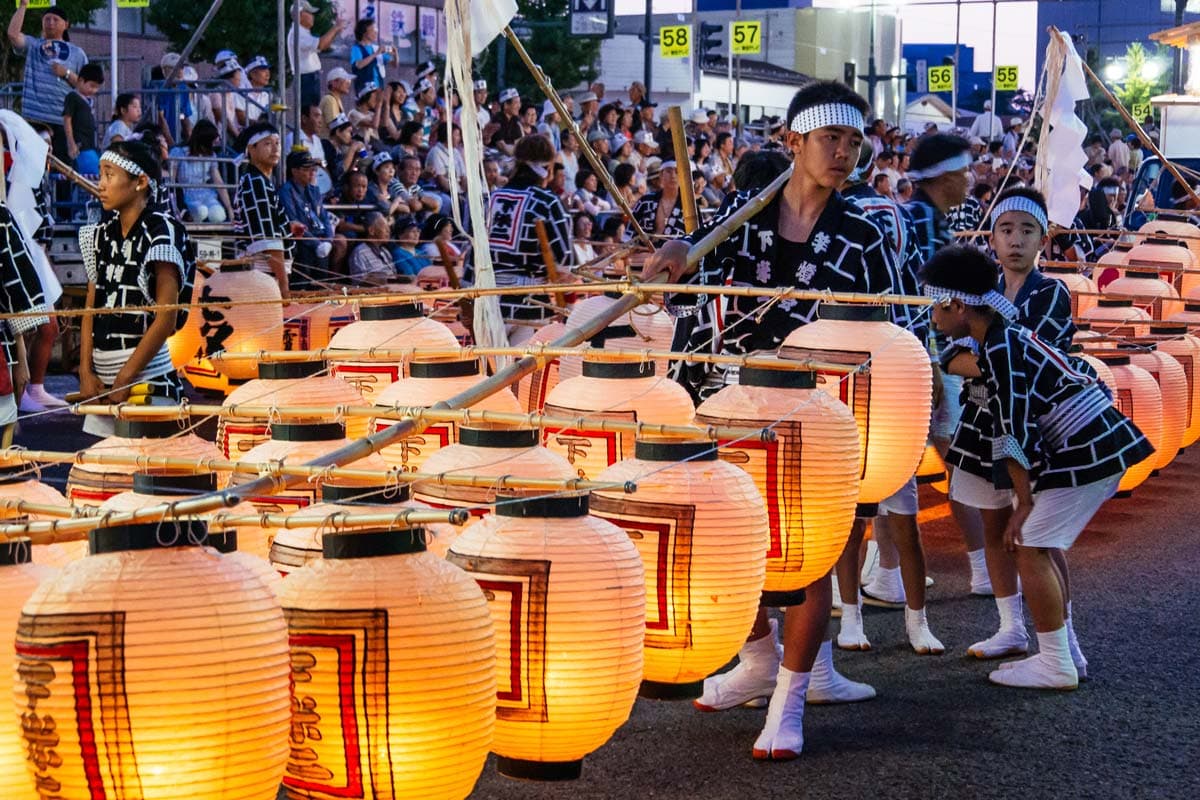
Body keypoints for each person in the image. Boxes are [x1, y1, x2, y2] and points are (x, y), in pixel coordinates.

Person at [643, 80, 907, 760]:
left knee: (806, 558)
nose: (844, 153)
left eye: (854, 142)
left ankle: (789, 703)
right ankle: (758, 660)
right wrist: (675, 256)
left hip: (816, 416)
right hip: (725, 405)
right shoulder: (742, 215)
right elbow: (689, 264)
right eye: (830, 139)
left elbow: (894, 336)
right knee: (727, 544)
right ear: (794, 141)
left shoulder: (863, 235)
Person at [923, 243, 1151, 689]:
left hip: (1085, 448)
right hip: (1092, 445)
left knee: (1029, 546)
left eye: (935, 307)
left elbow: (1013, 430)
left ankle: (1054, 662)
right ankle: (1067, 654)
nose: (932, 318)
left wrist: (1023, 502)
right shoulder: (1004, 337)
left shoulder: (1001, 348)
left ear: (955, 305)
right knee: (1041, 548)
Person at [938, 188, 1072, 665]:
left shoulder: (1052, 291)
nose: (1016, 240)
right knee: (995, 528)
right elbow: (947, 351)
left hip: (1032, 425)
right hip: (980, 421)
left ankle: (1064, 638)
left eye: (1027, 230)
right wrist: (987, 360)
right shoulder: (977, 287)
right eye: (1006, 229)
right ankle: (1010, 626)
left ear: (1044, 239)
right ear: (991, 237)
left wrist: (982, 358)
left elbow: (1030, 360)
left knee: (1039, 535)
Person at [78, 141, 194, 436]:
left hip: (146, 377)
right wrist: (85, 372)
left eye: (109, 175)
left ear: (140, 182)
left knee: (144, 469)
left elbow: (165, 317)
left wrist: (126, 377)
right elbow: (91, 308)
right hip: (103, 382)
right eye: (100, 175)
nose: (101, 185)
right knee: (105, 472)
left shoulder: (162, 230)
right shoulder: (101, 233)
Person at [484, 134, 572, 341]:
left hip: (488, 300)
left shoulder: (492, 199)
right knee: (523, 370)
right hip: (530, 302)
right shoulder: (546, 202)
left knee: (490, 370)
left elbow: (473, 253)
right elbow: (564, 260)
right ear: (548, 168)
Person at [7, 2, 89, 165]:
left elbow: (86, 87)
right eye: (47, 19)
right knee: (32, 167)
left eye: (55, 19)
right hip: (35, 120)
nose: (51, 23)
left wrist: (66, 73)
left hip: (64, 122)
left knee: (63, 170)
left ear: (66, 24)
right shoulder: (34, 45)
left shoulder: (77, 53)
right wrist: (23, 5)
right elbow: (13, 35)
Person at [232, 121, 292, 297]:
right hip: (263, 276)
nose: (275, 148)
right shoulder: (255, 182)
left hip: (265, 275)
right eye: (267, 143)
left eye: (277, 143)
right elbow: (267, 241)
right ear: (251, 149)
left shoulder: (259, 180)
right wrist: (283, 286)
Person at [281, 150, 346, 279]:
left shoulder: (314, 191)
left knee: (321, 282)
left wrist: (327, 240)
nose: (312, 172)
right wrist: (316, 244)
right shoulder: (286, 192)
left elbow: (324, 217)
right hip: (303, 244)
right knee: (305, 283)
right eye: (306, 169)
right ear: (294, 171)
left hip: (320, 240)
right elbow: (294, 222)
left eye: (313, 168)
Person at [170, 119, 232, 223]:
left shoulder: (211, 156)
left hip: (206, 194)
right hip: (187, 194)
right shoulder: (179, 153)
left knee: (218, 215)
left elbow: (219, 183)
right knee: (201, 212)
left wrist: (229, 208)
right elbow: (171, 181)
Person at [289, 0, 346, 109]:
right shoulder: (298, 33)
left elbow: (323, 46)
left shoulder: (303, 33)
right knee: (309, 113)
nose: (312, 17)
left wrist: (335, 31)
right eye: (309, 13)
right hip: (305, 79)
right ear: (300, 14)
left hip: (309, 78)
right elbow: (320, 44)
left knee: (313, 112)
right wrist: (335, 28)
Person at [62, 62, 103, 174]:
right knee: (91, 174)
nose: (94, 90)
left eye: (97, 88)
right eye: (91, 86)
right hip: (80, 146)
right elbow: (67, 119)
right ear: (80, 81)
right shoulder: (72, 97)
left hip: (89, 145)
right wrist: (71, 143)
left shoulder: (89, 101)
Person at [630, 159, 685, 237]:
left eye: (677, 172)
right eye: (669, 171)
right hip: (644, 248)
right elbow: (630, 230)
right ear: (661, 175)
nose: (673, 176)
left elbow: (697, 238)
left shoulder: (689, 207)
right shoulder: (646, 200)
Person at [349, 211, 396, 285]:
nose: (388, 231)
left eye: (388, 227)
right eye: (384, 227)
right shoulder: (360, 252)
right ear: (371, 231)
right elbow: (359, 282)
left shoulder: (385, 252)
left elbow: (394, 276)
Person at [350, 17, 394, 92]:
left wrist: (395, 54)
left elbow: (394, 64)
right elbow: (359, 65)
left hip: (379, 87)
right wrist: (376, 54)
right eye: (373, 30)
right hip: (365, 90)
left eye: (376, 30)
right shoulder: (356, 48)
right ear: (364, 32)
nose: (376, 33)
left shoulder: (376, 48)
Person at [366, 151, 411, 219]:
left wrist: (389, 203)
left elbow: (407, 209)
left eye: (392, 167)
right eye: (387, 167)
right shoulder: (371, 189)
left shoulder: (391, 189)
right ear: (377, 171)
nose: (391, 171)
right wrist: (396, 201)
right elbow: (387, 211)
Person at [319, 67, 355, 138]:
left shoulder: (336, 99)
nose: (348, 83)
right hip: (327, 143)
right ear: (334, 83)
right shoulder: (330, 100)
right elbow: (336, 128)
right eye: (345, 79)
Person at [490, 87, 523, 156]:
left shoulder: (515, 120)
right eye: (516, 103)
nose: (519, 106)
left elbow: (519, 142)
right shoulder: (497, 120)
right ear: (506, 105)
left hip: (513, 155)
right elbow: (501, 146)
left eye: (519, 102)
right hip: (498, 156)